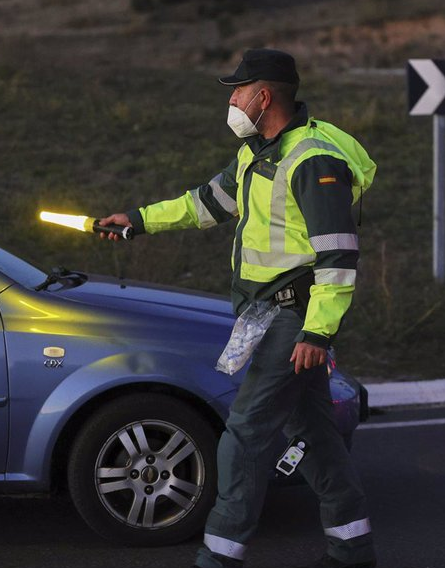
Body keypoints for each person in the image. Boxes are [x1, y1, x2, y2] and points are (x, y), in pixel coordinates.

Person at [99, 48, 377, 568]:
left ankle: (219, 557)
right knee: (313, 432)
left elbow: (340, 256)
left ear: (263, 96)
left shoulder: (312, 159)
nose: (231, 99)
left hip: (293, 320)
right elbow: (204, 204)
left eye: (238, 90)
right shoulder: (258, 152)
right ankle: (353, 548)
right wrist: (137, 220)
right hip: (267, 313)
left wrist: (317, 334)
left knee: (244, 434)